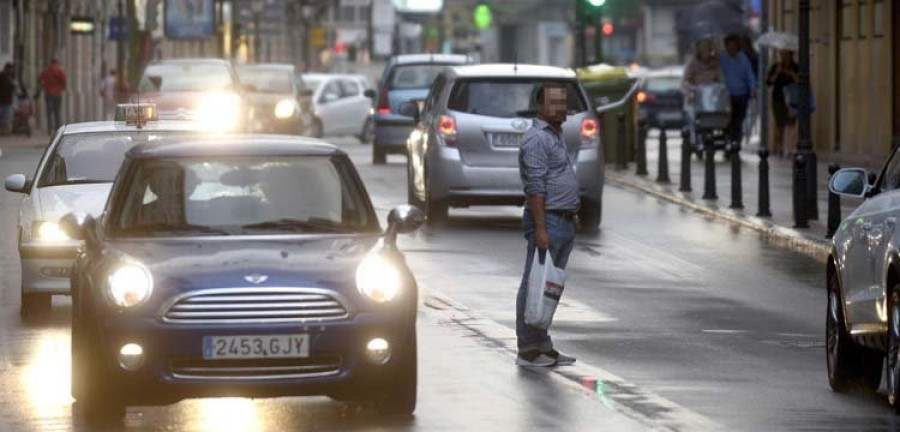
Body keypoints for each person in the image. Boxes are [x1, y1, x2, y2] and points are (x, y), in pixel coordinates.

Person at [515, 82, 578, 368]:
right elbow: (536, 188)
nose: (560, 108)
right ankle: (528, 349)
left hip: (561, 220)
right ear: (540, 106)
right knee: (535, 283)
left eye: (563, 102)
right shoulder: (537, 139)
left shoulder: (554, 134)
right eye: (553, 103)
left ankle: (542, 344)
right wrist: (541, 229)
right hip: (548, 220)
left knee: (548, 286)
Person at [682, 38, 725, 146]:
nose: (707, 53)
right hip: (694, 98)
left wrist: (718, 87)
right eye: (705, 50)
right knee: (691, 118)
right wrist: (692, 88)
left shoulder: (715, 64)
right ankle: (694, 140)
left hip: (711, 100)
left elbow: (721, 80)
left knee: (716, 117)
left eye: (709, 50)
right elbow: (685, 81)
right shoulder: (692, 64)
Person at [719, 34, 757, 148]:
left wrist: (752, 88)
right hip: (726, 95)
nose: (732, 48)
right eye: (729, 46)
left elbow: (749, 74)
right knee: (727, 120)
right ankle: (728, 141)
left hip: (741, 94)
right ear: (725, 46)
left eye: (734, 46)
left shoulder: (743, 58)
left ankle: (736, 144)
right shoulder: (721, 57)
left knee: (739, 120)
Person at [767, 49, 799, 157]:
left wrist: (790, 74)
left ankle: (791, 149)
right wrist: (777, 72)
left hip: (792, 101)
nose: (783, 56)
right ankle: (779, 148)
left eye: (785, 54)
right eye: (781, 54)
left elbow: (800, 81)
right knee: (779, 124)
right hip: (778, 99)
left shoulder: (796, 67)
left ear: (791, 55)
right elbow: (769, 82)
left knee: (791, 124)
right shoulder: (776, 66)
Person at [38, 58, 66, 134]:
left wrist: (44, 85)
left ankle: (49, 128)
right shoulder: (60, 70)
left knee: (49, 112)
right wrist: (62, 87)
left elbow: (39, 79)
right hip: (57, 94)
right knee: (57, 111)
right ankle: (57, 128)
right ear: (57, 62)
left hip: (48, 94)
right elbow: (64, 81)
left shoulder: (46, 70)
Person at [0, 63, 16, 135]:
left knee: (6, 117)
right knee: (5, 117)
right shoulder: (4, 76)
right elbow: (9, 86)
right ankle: (4, 131)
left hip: (7, 100)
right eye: (11, 69)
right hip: (4, 100)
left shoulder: (10, 77)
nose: (11, 71)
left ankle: (5, 131)